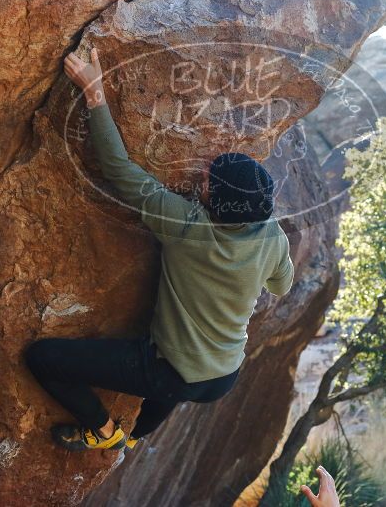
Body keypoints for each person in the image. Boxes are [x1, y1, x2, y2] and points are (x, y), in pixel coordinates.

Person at [25, 47, 295, 452]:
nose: (203, 173)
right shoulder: (271, 236)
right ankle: (134, 437)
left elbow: (118, 168)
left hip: (173, 371)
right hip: (224, 376)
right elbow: (281, 286)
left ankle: (104, 433)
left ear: (214, 201)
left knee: (44, 358)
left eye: (209, 179)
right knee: (174, 385)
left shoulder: (185, 225)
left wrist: (95, 92)